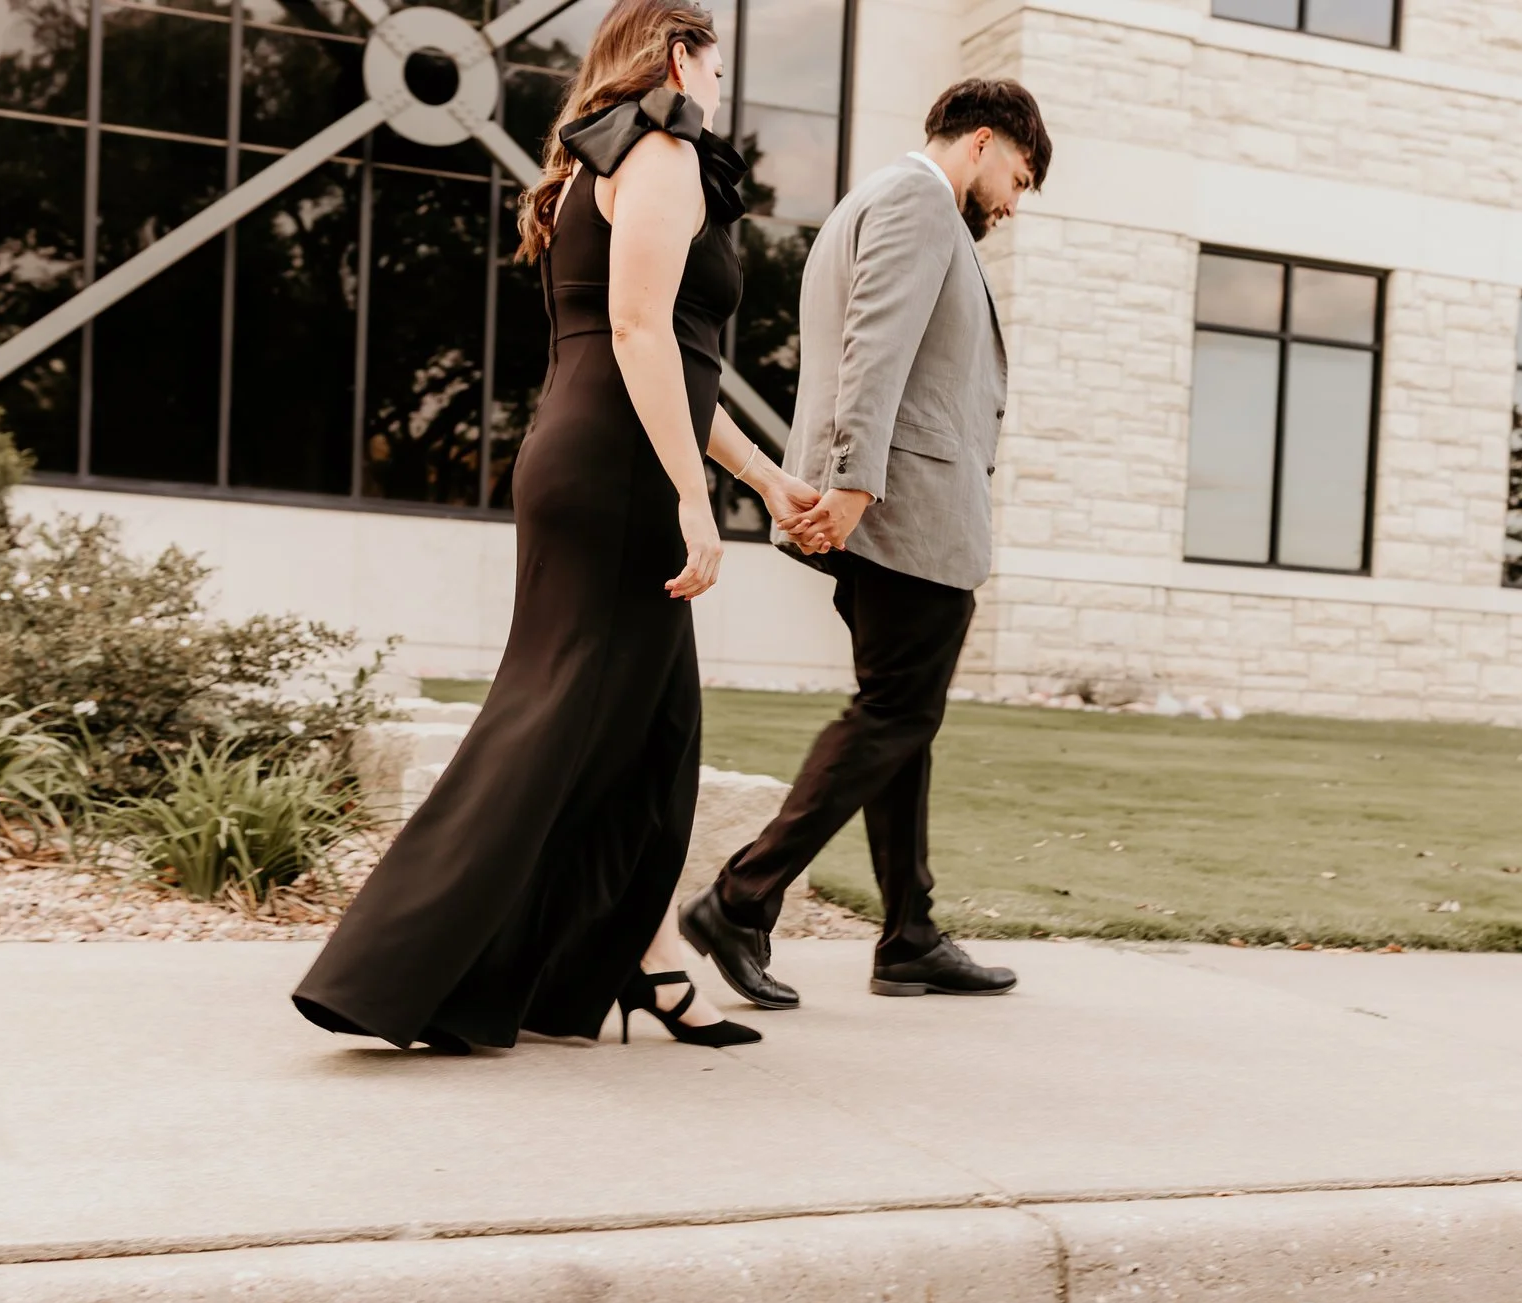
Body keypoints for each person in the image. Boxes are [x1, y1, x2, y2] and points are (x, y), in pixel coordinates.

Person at [292, 0, 820, 1052]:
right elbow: (636, 331)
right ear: (679, 53)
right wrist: (686, 496)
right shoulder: (661, 153)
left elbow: (668, 358)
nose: (719, 85)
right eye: (714, 63)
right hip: (618, 471)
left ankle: (639, 963)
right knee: (553, 729)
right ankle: (392, 969)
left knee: (645, 744)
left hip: (590, 452)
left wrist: (759, 477)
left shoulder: (595, 162)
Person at [678, 79, 1050, 1009]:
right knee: (893, 714)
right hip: (904, 512)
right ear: (981, 141)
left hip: (887, 508)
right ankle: (742, 895)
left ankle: (910, 933)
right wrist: (854, 484)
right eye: (1019, 173)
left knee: (900, 716)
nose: (1014, 198)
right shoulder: (919, 202)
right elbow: (873, 351)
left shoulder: (873, 201)